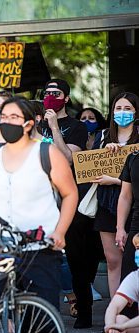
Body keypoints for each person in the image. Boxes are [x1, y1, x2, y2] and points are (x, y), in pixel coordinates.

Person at [0, 96, 78, 310]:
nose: (7, 122)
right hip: (0, 245)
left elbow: (70, 193)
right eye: (4, 117)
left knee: (40, 314)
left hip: (39, 244)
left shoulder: (47, 153)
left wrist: (60, 231)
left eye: (14, 117)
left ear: (28, 123)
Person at [41, 79, 96, 329]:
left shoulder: (76, 127)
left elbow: (69, 159)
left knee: (75, 258)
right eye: (47, 92)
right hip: (40, 197)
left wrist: (53, 127)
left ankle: (84, 310)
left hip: (68, 199)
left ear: (66, 98)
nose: (50, 96)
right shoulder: (34, 124)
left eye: (56, 93)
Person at [92, 95, 138, 300]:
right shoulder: (103, 136)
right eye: (118, 108)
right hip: (107, 204)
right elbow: (89, 169)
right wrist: (104, 153)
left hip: (135, 205)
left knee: (132, 260)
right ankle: (114, 314)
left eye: (127, 108)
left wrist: (116, 180)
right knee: (113, 260)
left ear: (136, 112)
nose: (122, 112)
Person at [116, 93, 139, 305]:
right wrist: (120, 228)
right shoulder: (132, 157)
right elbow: (125, 195)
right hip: (136, 226)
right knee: (129, 283)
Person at [104, 233, 139, 333]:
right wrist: (110, 326)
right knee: (118, 320)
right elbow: (114, 306)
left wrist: (123, 326)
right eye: (137, 248)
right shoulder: (135, 277)